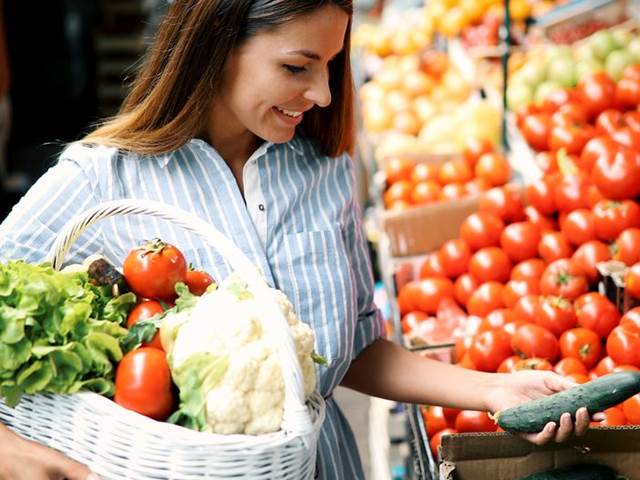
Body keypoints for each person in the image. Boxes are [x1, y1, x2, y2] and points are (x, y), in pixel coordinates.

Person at [0, 1, 592, 479]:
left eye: (332, 65)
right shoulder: (103, 178)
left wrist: (494, 391)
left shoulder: (325, 169)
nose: (325, 94)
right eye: (296, 66)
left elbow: (351, 349)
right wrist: (24, 456)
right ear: (217, 42)